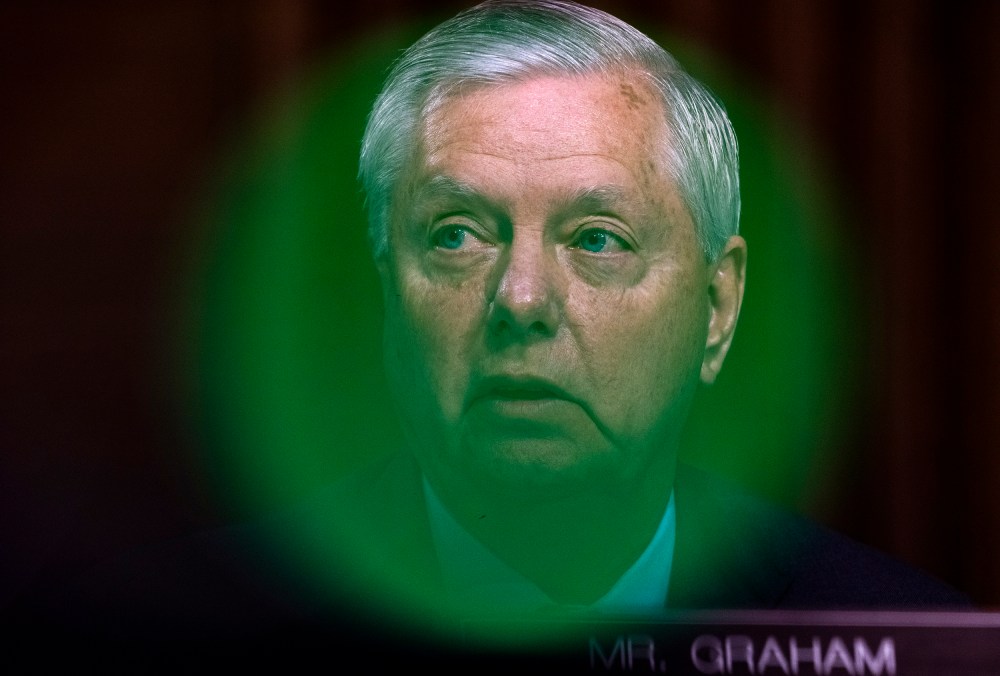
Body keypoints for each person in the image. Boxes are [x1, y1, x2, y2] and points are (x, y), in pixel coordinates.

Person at [11, 0, 968, 668]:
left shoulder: (910, 646)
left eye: (598, 240)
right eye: (458, 235)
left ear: (717, 309)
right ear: (387, 292)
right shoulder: (155, 642)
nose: (519, 298)